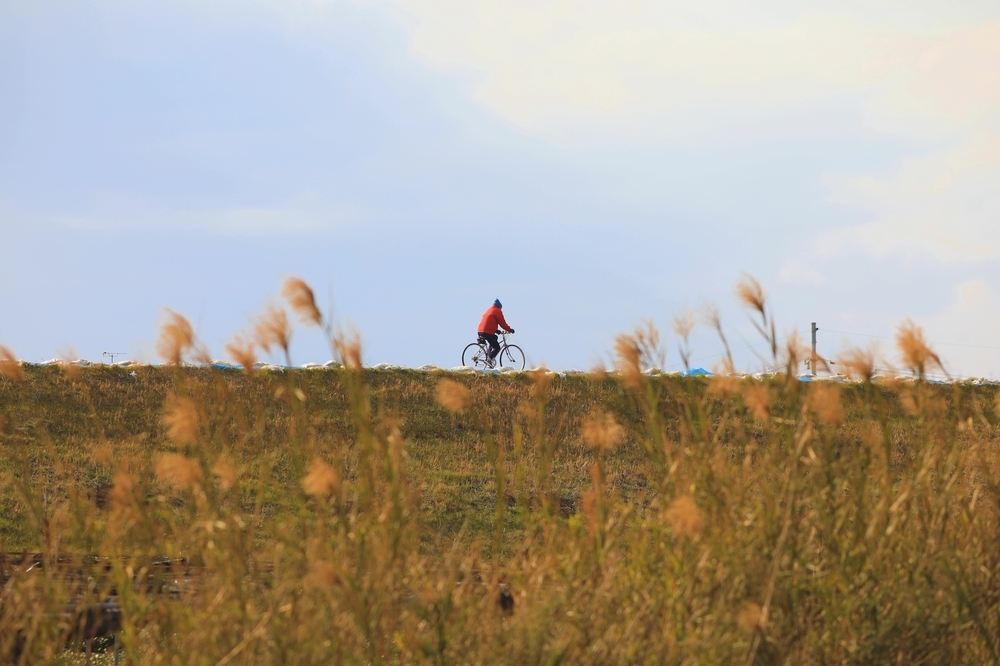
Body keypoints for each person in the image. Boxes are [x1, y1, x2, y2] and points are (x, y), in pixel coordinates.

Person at [478, 299, 514, 366]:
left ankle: (488, 356)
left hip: (480, 330)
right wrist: (509, 329)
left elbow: (489, 322)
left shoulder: (489, 309)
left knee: (494, 338)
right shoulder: (497, 311)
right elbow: (502, 323)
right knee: (497, 347)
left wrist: (496, 330)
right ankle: (489, 359)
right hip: (487, 332)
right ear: (500, 307)